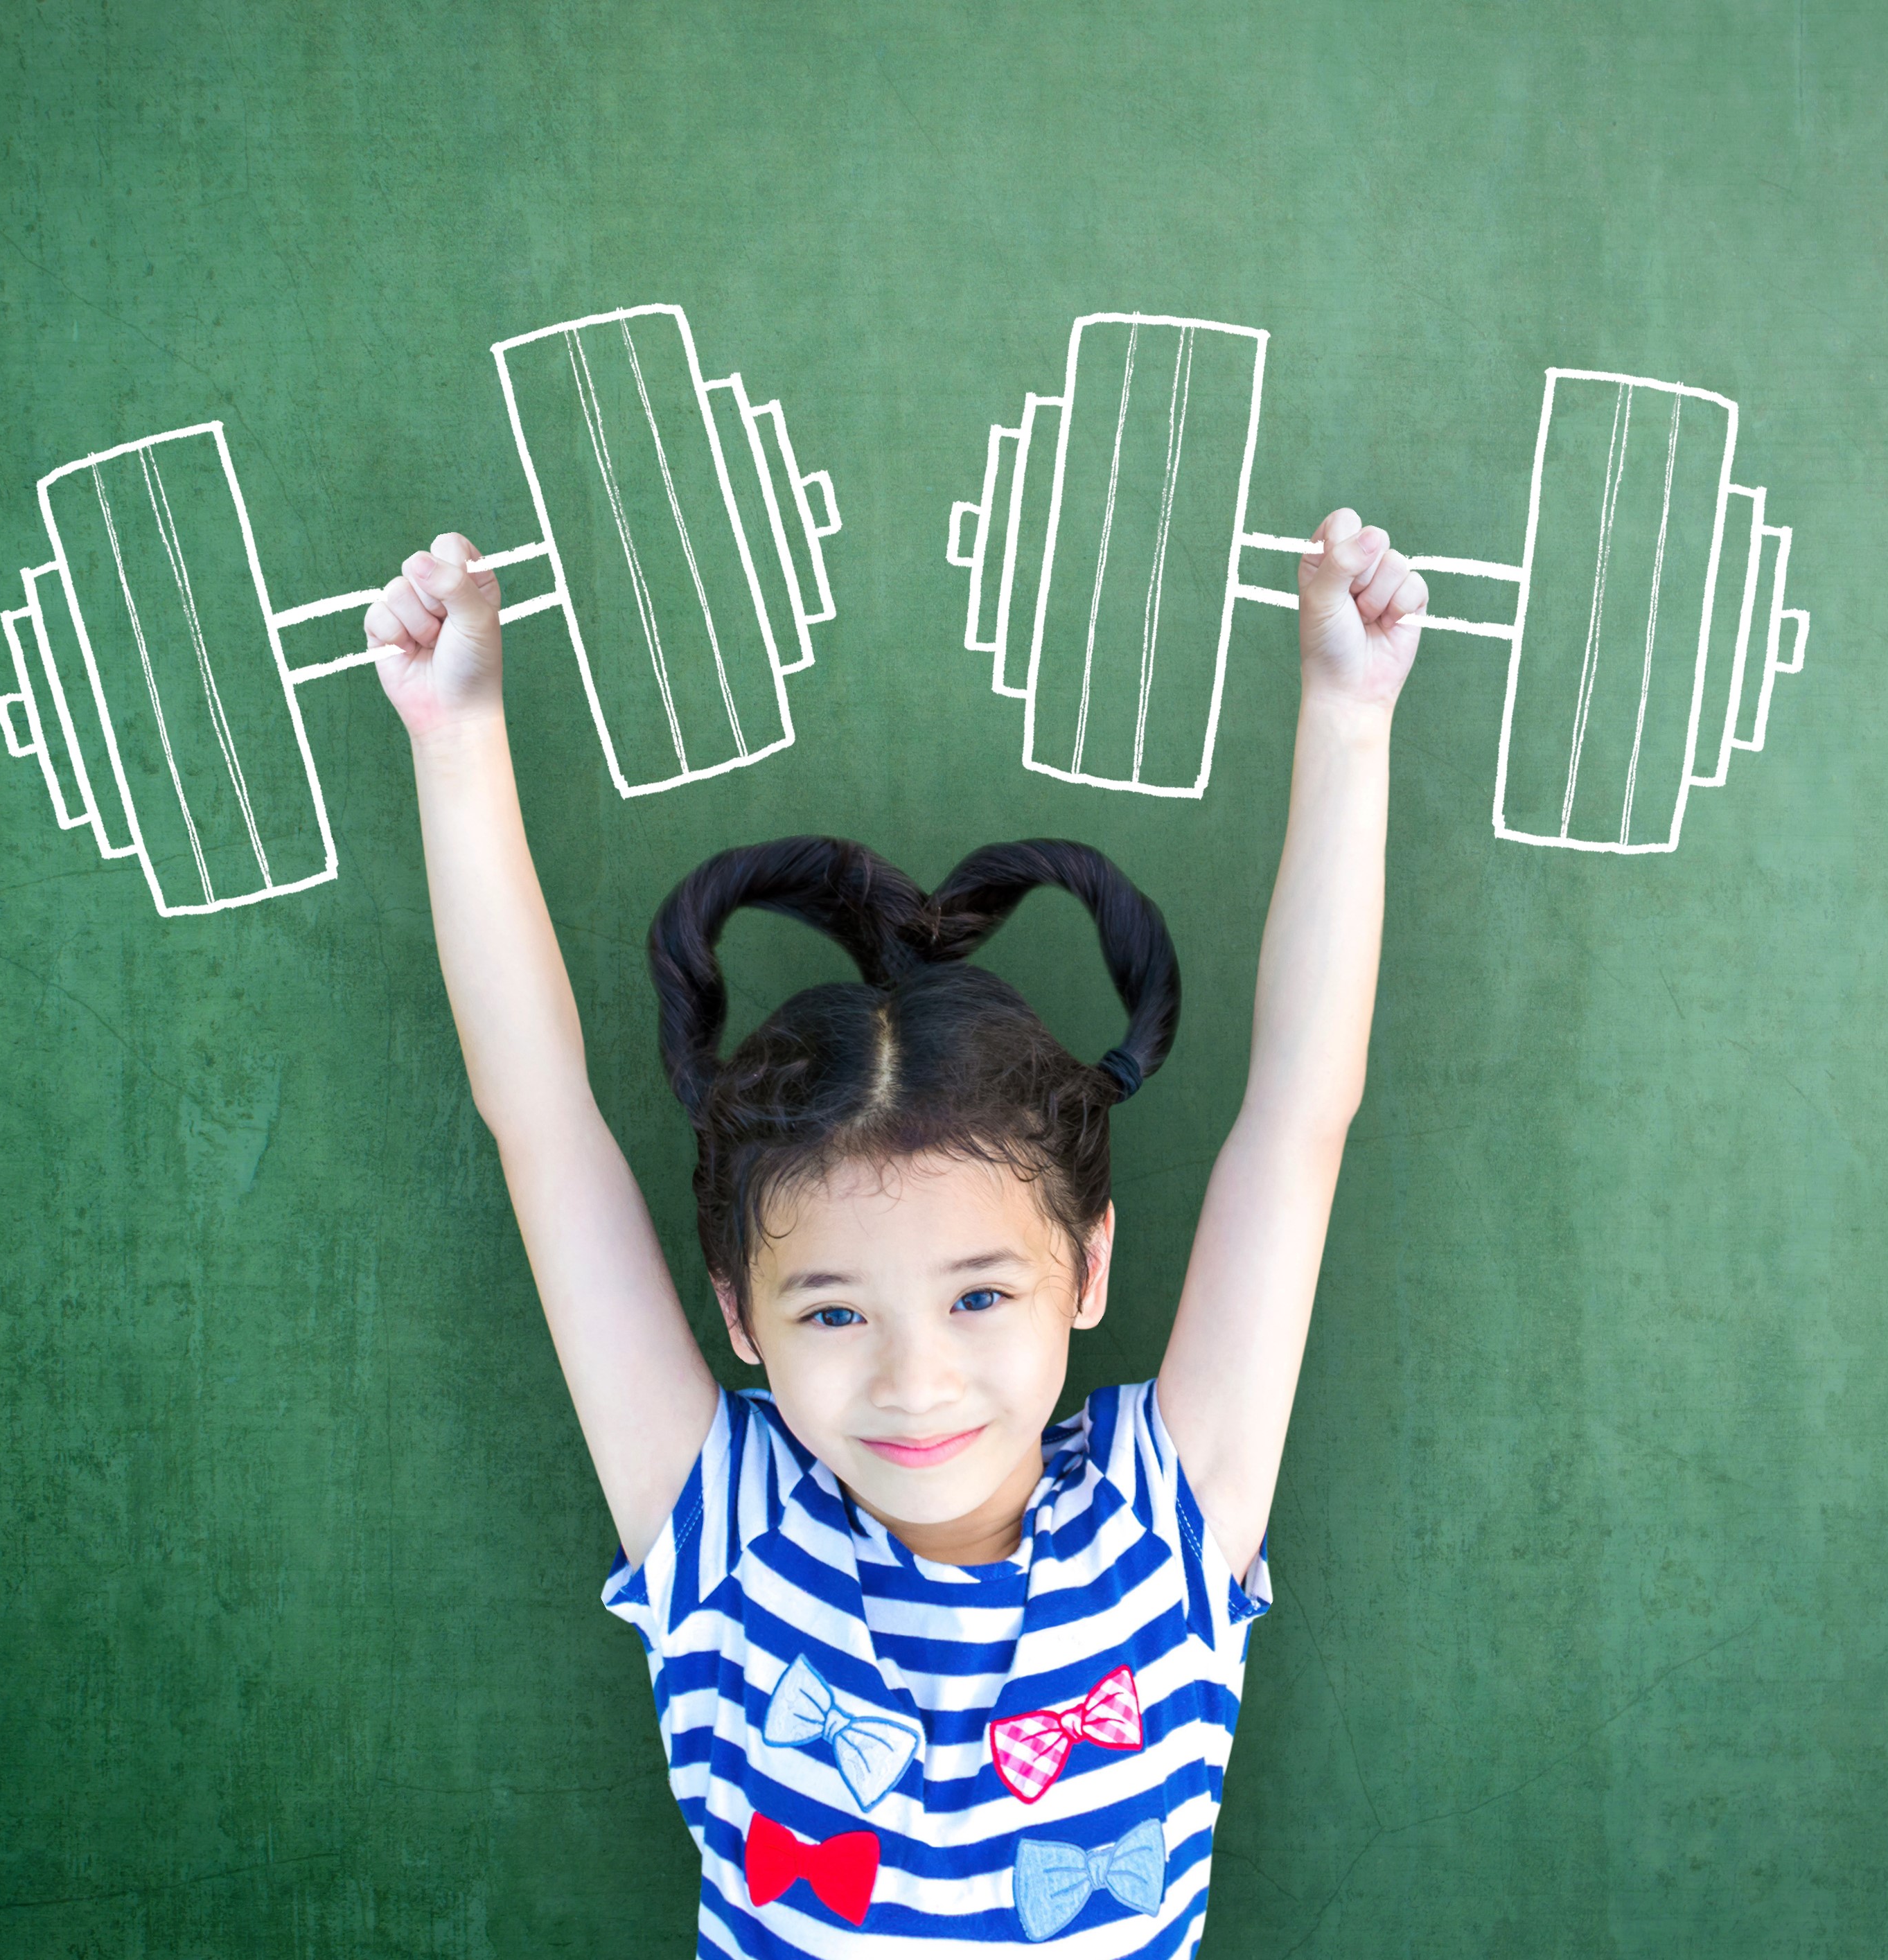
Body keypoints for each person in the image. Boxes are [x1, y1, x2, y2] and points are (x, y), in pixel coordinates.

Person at [362, 507, 1424, 1953]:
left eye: (979, 1296)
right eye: (833, 1310)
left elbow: (1300, 1121)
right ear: (739, 1316)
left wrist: (1348, 713)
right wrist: (452, 730)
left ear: (1087, 1266)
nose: (913, 1380)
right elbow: (543, 1126)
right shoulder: (729, 1535)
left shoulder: (1162, 1521)